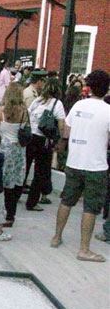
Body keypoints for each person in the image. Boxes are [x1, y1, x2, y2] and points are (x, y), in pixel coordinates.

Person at [51, 70, 110, 263]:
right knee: (91, 208)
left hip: (74, 161)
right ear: (106, 88)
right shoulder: (108, 110)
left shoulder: (78, 105)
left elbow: (66, 131)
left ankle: (56, 237)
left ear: (89, 87)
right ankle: (84, 249)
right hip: (96, 165)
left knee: (67, 200)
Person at [25, 78, 65, 211]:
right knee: (40, 172)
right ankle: (32, 202)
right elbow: (61, 124)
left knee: (25, 167)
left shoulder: (38, 100)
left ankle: (16, 194)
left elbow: (28, 114)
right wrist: (60, 140)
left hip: (31, 136)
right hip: (44, 140)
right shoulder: (57, 104)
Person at [0, 82, 28, 226]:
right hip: (18, 149)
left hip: (4, 148)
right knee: (14, 184)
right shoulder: (24, 111)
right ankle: (10, 215)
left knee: (0, 183)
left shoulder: (1, 110)